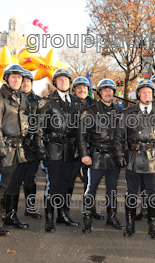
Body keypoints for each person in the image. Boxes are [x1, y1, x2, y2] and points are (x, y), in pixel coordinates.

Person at [114, 79, 155, 240]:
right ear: (138, 94)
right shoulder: (128, 113)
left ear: (153, 94)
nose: (146, 94)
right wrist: (119, 155)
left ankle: (153, 226)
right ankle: (130, 225)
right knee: (131, 194)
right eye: (143, 92)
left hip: (153, 160)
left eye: (149, 92)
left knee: (153, 195)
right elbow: (119, 137)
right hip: (133, 159)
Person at [35, 69, 82, 232]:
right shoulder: (46, 102)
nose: (63, 82)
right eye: (60, 80)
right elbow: (38, 128)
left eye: (66, 80)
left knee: (65, 184)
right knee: (52, 185)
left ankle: (62, 215)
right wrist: (41, 150)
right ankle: (49, 219)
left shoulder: (77, 102)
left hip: (70, 150)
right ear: (55, 83)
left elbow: (81, 129)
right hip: (53, 149)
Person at [0, 64, 30, 236]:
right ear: (6, 78)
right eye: (13, 77)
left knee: (13, 185)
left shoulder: (21, 98)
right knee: (1, 185)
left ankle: (9, 216)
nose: (17, 80)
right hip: (5, 147)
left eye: (20, 77)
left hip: (18, 148)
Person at [77, 79, 124, 233]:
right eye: (105, 90)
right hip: (95, 155)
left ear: (114, 93)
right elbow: (81, 136)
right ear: (99, 93)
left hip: (113, 157)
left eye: (110, 90)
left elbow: (124, 136)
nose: (108, 92)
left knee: (112, 189)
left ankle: (111, 217)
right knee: (91, 189)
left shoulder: (120, 112)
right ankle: (87, 218)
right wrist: (84, 155)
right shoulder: (89, 111)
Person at [6, 70, 42, 220]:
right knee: (14, 179)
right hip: (16, 147)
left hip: (33, 146)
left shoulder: (40, 101)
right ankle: (9, 213)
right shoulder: (12, 99)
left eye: (28, 81)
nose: (25, 83)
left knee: (30, 178)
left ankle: (30, 208)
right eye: (23, 81)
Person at [70, 77, 102, 220]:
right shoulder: (68, 103)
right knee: (69, 180)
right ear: (74, 90)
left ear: (88, 90)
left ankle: (90, 210)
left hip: (91, 148)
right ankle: (64, 212)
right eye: (79, 87)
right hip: (72, 148)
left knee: (90, 182)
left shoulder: (95, 104)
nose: (82, 89)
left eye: (84, 87)